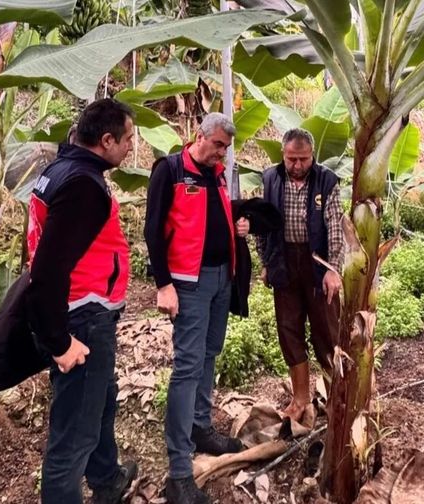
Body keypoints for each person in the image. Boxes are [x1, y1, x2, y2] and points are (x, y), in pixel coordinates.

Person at [26, 98, 138, 504]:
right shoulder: (82, 186)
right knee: (73, 435)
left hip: (87, 314)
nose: (130, 148)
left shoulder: (61, 169)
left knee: (101, 400)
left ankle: (107, 479)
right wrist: (59, 342)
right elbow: (48, 271)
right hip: (80, 320)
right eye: (127, 139)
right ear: (106, 140)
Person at [144, 113, 249, 504]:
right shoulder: (170, 170)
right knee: (187, 365)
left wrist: (237, 226)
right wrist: (163, 285)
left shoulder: (217, 174)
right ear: (199, 135)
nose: (221, 152)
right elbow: (152, 231)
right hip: (188, 284)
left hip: (222, 278)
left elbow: (212, 218)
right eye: (217, 144)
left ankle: (200, 426)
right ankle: (179, 470)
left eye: (225, 147)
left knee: (209, 354)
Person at [257, 128, 343, 421]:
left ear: (312, 156)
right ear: (283, 155)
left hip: (317, 264)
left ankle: (338, 399)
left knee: (327, 331)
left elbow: (334, 228)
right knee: (288, 330)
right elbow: (263, 223)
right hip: (284, 262)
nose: (297, 166)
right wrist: (266, 261)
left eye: (303, 160)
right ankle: (301, 398)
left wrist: (333, 270)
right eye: (292, 159)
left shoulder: (327, 181)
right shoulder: (270, 179)